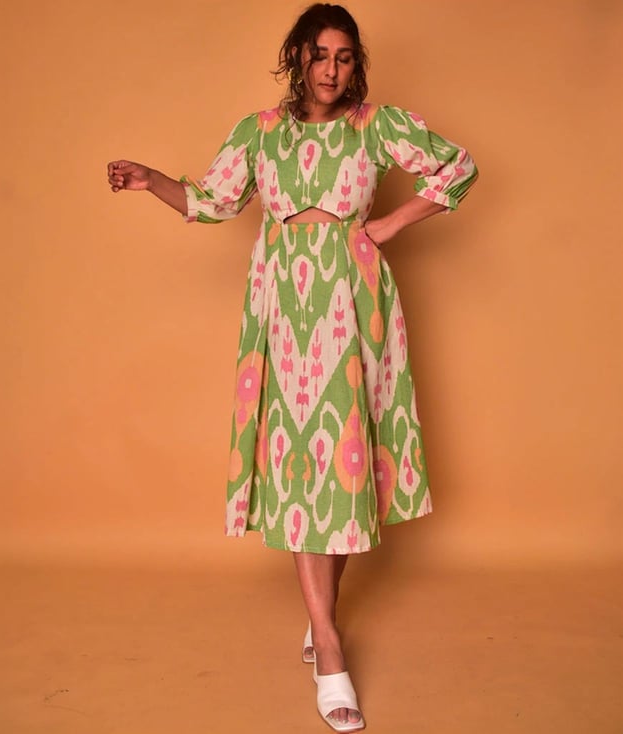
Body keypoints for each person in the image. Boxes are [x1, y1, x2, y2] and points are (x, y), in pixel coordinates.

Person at [107, 4, 477, 731]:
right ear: (297, 59)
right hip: (281, 306)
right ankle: (329, 645)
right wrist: (152, 179)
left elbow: (459, 167)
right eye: (319, 55)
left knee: (343, 460)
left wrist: (388, 224)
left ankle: (319, 613)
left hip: (355, 303)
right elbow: (213, 201)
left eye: (344, 56)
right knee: (300, 463)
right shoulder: (260, 132)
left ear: (355, 63)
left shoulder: (376, 125)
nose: (331, 70)